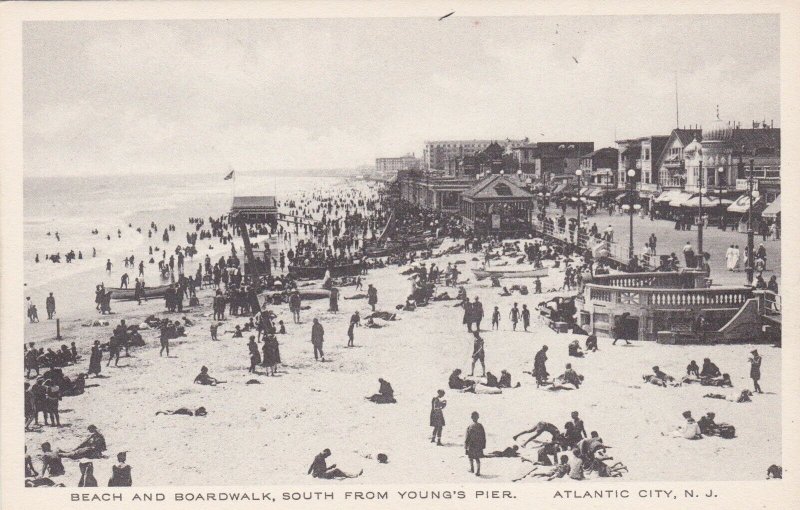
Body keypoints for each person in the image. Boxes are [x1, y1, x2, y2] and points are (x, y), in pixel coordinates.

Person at [464, 411, 486, 476]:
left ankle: (472, 469)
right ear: (478, 417)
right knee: (477, 458)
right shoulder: (480, 426)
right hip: (478, 445)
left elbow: (467, 437)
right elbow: (483, 436)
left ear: (471, 418)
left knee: (470, 457)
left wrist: (466, 446)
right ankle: (478, 471)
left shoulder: (470, 426)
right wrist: (483, 445)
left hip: (471, 444)